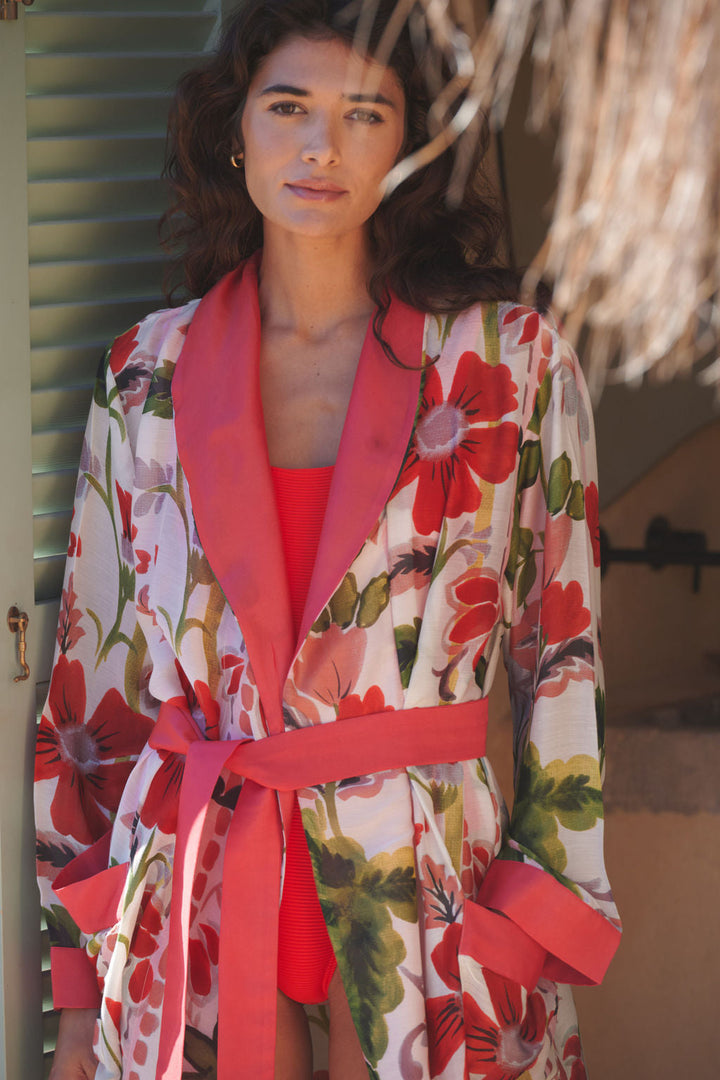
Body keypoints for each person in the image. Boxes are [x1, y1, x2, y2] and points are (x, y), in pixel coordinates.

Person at [36, 1, 621, 1078]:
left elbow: (560, 659)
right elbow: (93, 688)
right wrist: (81, 983)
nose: (320, 146)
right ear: (234, 131)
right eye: (289, 107)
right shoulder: (142, 376)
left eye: (364, 115)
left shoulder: (510, 364)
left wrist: (536, 922)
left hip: (426, 881)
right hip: (201, 882)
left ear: (409, 148)